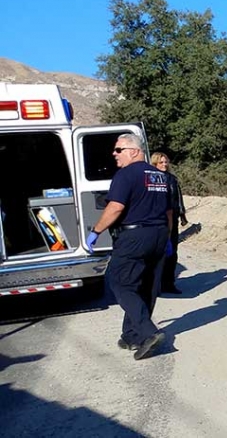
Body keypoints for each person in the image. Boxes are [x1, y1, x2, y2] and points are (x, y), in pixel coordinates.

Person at [85, 133, 171, 361]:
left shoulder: (126, 174)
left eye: (118, 149)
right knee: (145, 286)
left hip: (134, 236)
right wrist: (168, 238)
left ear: (133, 151)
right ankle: (132, 334)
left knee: (120, 283)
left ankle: (149, 333)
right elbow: (168, 210)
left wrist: (95, 232)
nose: (114, 154)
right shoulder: (159, 176)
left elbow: (115, 207)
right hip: (159, 233)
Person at [151, 152, 188, 295]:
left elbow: (178, 198)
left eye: (166, 162)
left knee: (172, 253)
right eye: (161, 162)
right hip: (156, 220)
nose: (164, 165)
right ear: (155, 163)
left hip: (172, 219)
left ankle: (169, 284)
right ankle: (154, 285)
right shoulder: (151, 179)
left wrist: (182, 214)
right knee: (155, 254)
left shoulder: (172, 179)